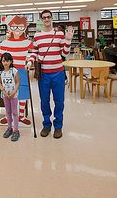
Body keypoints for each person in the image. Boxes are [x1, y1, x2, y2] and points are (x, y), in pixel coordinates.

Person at [28, 10, 73, 139]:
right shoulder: (37, 35)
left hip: (58, 73)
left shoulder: (59, 34)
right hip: (44, 75)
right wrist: (30, 62)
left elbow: (64, 53)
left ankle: (58, 126)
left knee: (59, 102)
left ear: (51, 18)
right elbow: (34, 52)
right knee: (44, 101)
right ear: (41, 20)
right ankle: (47, 124)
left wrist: (68, 40)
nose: (46, 19)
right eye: (44, 18)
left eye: (48, 17)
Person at [0, 15, 33, 127]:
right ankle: (10, 115)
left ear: (25, 27)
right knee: (8, 92)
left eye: (20, 26)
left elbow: (35, 52)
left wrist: (30, 61)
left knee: (22, 93)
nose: (17, 29)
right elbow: (0, 59)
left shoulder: (28, 43)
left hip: (21, 70)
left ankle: (21, 116)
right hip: (8, 72)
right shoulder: (4, 43)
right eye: (14, 27)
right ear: (9, 28)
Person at [0, 53, 20, 142]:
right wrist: (3, 91)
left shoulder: (14, 71)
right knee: (8, 112)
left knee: (14, 112)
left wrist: (14, 92)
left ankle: (16, 130)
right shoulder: (0, 72)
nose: (5, 63)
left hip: (13, 95)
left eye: (7, 61)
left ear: (11, 61)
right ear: (1, 62)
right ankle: (9, 128)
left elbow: (18, 82)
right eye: (3, 61)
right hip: (5, 95)